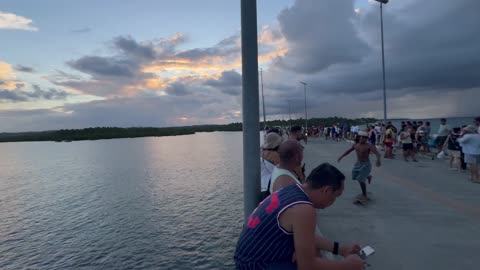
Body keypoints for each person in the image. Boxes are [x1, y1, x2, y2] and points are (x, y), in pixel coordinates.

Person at [234, 163, 365, 270]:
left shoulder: (291, 189)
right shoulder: (304, 208)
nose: (334, 201)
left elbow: (305, 236)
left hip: (247, 259)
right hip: (257, 266)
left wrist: (340, 249)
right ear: (326, 190)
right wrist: (348, 265)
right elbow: (307, 266)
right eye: (336, 196)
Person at [338, 131, 381, 204]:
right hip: (358, 164)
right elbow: (348, 151)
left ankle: (364, 195)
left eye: (364, 138)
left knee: (361, 180)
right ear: (358, 138)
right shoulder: (355, 145)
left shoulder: (369, 146)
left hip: (366, 165)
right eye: (360, 137)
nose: (361, 139)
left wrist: (378, 160)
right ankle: (368, 176)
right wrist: (341, 156)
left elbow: (377, 153)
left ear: (366, 139)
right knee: (354, 176)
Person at [260, 132, 283, 199]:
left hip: (263, 186)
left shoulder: (262, 151)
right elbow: (280, 168)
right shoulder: (273, 154)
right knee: (273, 207)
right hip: (269, 187)